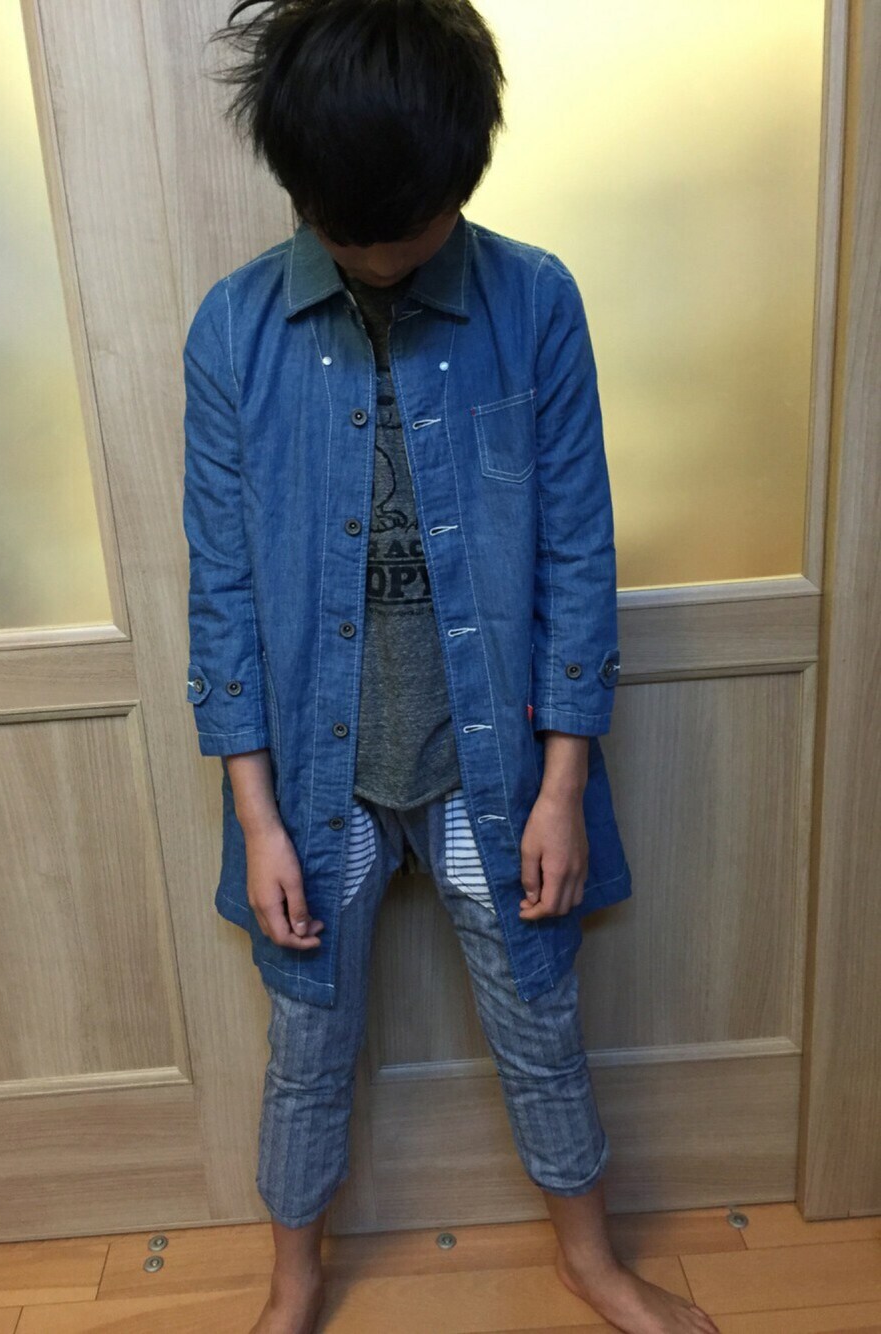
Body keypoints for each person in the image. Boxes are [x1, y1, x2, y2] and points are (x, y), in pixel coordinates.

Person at [184, 3, 719, 1331]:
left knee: (540, 1019)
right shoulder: (232, 332)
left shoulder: (534, 302)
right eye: (346, 232)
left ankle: (591, 1261)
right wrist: (257, 818)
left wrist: (561, 785)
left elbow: (578, 553)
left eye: (408, 232)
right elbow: (223, 587)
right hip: (314, 781)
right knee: (307, 1042)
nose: (377, 259)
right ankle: (293, 1281)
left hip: (497, 764)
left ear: (463, 170)